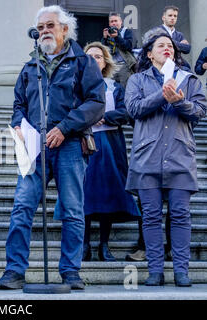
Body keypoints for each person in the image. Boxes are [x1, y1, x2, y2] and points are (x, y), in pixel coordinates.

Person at [0, 5, 105, 291]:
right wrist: (18, 124)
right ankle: (14, 271)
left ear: (65, 29)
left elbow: (96, 103)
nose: (44, 31)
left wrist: (64, 127)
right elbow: (18, 104)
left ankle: (70, 272)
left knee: (72, 210)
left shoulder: (83, 62)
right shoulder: (30, 67)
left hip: (69, 144)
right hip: (34, 147)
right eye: (41, 27)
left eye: (50, 26)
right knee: (22, 206)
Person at [125, 29, 206, 287]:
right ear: (149, 54)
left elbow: (200, 111)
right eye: (160, 46)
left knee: (180, 214)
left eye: (170, 45)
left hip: (180, 156)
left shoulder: (190, 79)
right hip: (147, 157)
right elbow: (134, 109)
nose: (167, 48)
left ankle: (181, 271)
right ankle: (155, 272)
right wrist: (162, 93)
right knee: (150, 216)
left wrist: (179, 102)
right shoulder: (137, 80)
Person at [82, 42, 140, 262]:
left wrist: (106, 117)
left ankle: (104, 245)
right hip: (84, 142)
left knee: (108, 194)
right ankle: (84, 245)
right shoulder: (76, 84)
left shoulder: (115, 87)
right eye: (89, 56)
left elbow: (126, 112)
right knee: (84, 194)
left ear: (105, 61)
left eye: (98, 56)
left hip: (109, 143)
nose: (94, 59)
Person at [101, 12, 136, 88]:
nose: (114, 23)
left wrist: (117, 37)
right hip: (111, 66)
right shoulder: (108, 33)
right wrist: (104, 38)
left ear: (121, 22)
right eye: (111, 21)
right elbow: (103, 50)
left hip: (124, 66)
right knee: (111, 90)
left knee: (125, 90)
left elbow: (129, 46)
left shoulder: (127, 31)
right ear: (109, 24)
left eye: (116, 21)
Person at [157, 5, 191, 70]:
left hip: (178, 65)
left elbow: (187, 49)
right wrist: (180, 44)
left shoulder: (179, 34)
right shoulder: (157, 31)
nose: (173, 18)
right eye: (170, 15)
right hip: (161, 65)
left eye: (175, 16)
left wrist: (170, 42)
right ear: (163, 18)